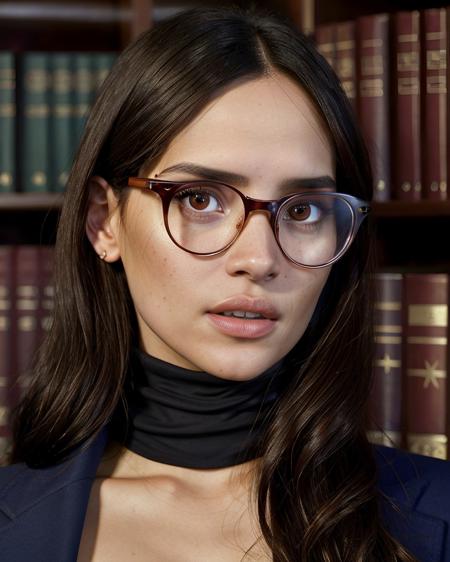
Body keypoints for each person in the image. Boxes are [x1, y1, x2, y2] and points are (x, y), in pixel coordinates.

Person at [1, 6, 449, 562]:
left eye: (304, 209)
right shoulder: (13, 525)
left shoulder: (437, 519)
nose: (259, 259)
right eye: (201, 200)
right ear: (104, 221)